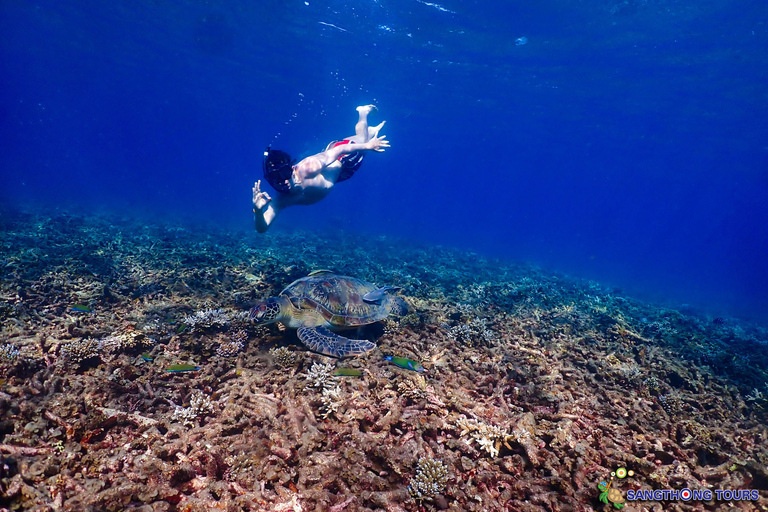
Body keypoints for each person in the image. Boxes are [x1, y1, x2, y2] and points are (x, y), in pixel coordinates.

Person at [252, 105, 389, 233]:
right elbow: (262, 228)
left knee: (362, 139)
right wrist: (257, 211)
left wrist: (368, 146)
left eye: (284, 173)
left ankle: (363, 112)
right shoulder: (281, 199)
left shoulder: (309, 167)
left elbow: (340, 149)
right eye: (275, 178)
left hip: (342, 158)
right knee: (363, 139)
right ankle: (369, 132)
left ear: (292, 169)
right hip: (339, 174)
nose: (282, 181)